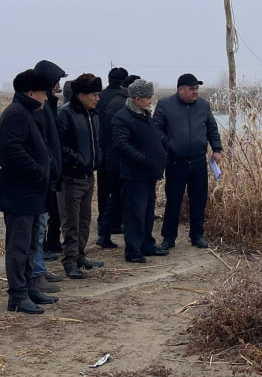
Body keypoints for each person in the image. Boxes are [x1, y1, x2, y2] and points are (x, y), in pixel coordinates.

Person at [0, 69, 58, 314]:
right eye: (43, 93)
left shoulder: (28, 113)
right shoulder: (16, 114)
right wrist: (39, 171)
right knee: (19, 246)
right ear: (31, 93)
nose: (46, 98)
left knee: (31, 244)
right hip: (19, 193)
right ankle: (18, 295)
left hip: (33, 193)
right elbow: (13, 151)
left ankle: (29, 286)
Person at [154, 73, 223, 249]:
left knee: (199, 200)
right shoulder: (165, 105)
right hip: (175, 163)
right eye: (192, 89)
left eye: (197, 88)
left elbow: (212, 128)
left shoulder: (203, 105)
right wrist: (169, 145)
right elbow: (156, 129)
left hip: (198, 162)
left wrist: (217, 149)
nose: (196, 92)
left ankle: (197, 236)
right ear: (181, 90)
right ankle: (169, 238)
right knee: (173, 201)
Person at [112, 78, 168, 263]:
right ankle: (133, 250)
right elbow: (121, 145)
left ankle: (146, 244)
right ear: (136, 99)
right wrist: (143, 159)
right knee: (135, 213)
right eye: (147, 97)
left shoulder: (144, 114)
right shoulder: (123, 117)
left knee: (147, 211)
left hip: (149, 173)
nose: (151, 101)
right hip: (135, 174)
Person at [57, 73, 106, 278]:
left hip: (88, 175)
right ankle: (69, 262)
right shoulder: (65, 114)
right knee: (71, 222)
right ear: (81, 95)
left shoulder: (93, 115)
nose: (97, 99)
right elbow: (60, 146)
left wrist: (96, 160)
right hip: (71, 177)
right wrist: (78, 160)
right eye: (94, 95)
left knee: (84, 220)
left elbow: (97, 143)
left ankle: (80, 255)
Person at [31, 59, 66, 289]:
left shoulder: (49, 106)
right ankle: (35, 273)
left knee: (42, 224)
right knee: (37, 228)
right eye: (56, 82)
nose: (58, 86)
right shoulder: (37, 109)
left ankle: (40, 269)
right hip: (40, 178)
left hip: (49, 175)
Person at [95, 67, 130, 248]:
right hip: (119, 152)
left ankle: (103, 220)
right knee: (119, 191)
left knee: (104, 189)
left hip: (102, 148)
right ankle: (115, 223)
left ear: (108, 79)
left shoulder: (99, 97)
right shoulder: (124, 101)